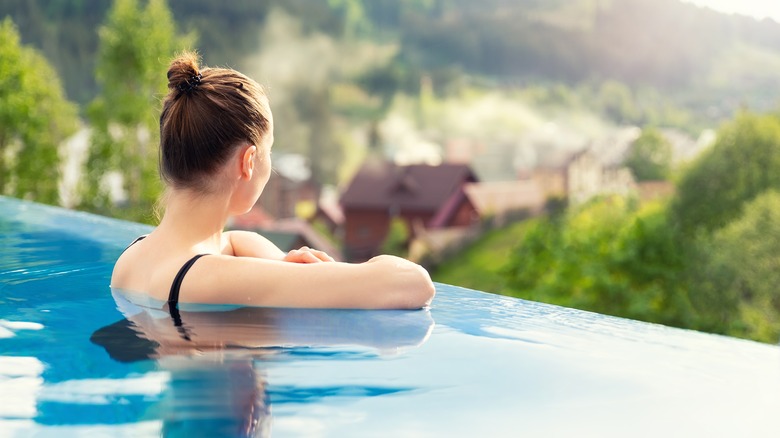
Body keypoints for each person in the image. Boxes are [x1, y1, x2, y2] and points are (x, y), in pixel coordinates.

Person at [111, 52, 435, 310]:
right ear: (248, 161)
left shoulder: (132, 258)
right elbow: (412, 285)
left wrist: (281, 262)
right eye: (270, 150)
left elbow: (231, 243)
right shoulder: (212, 277)